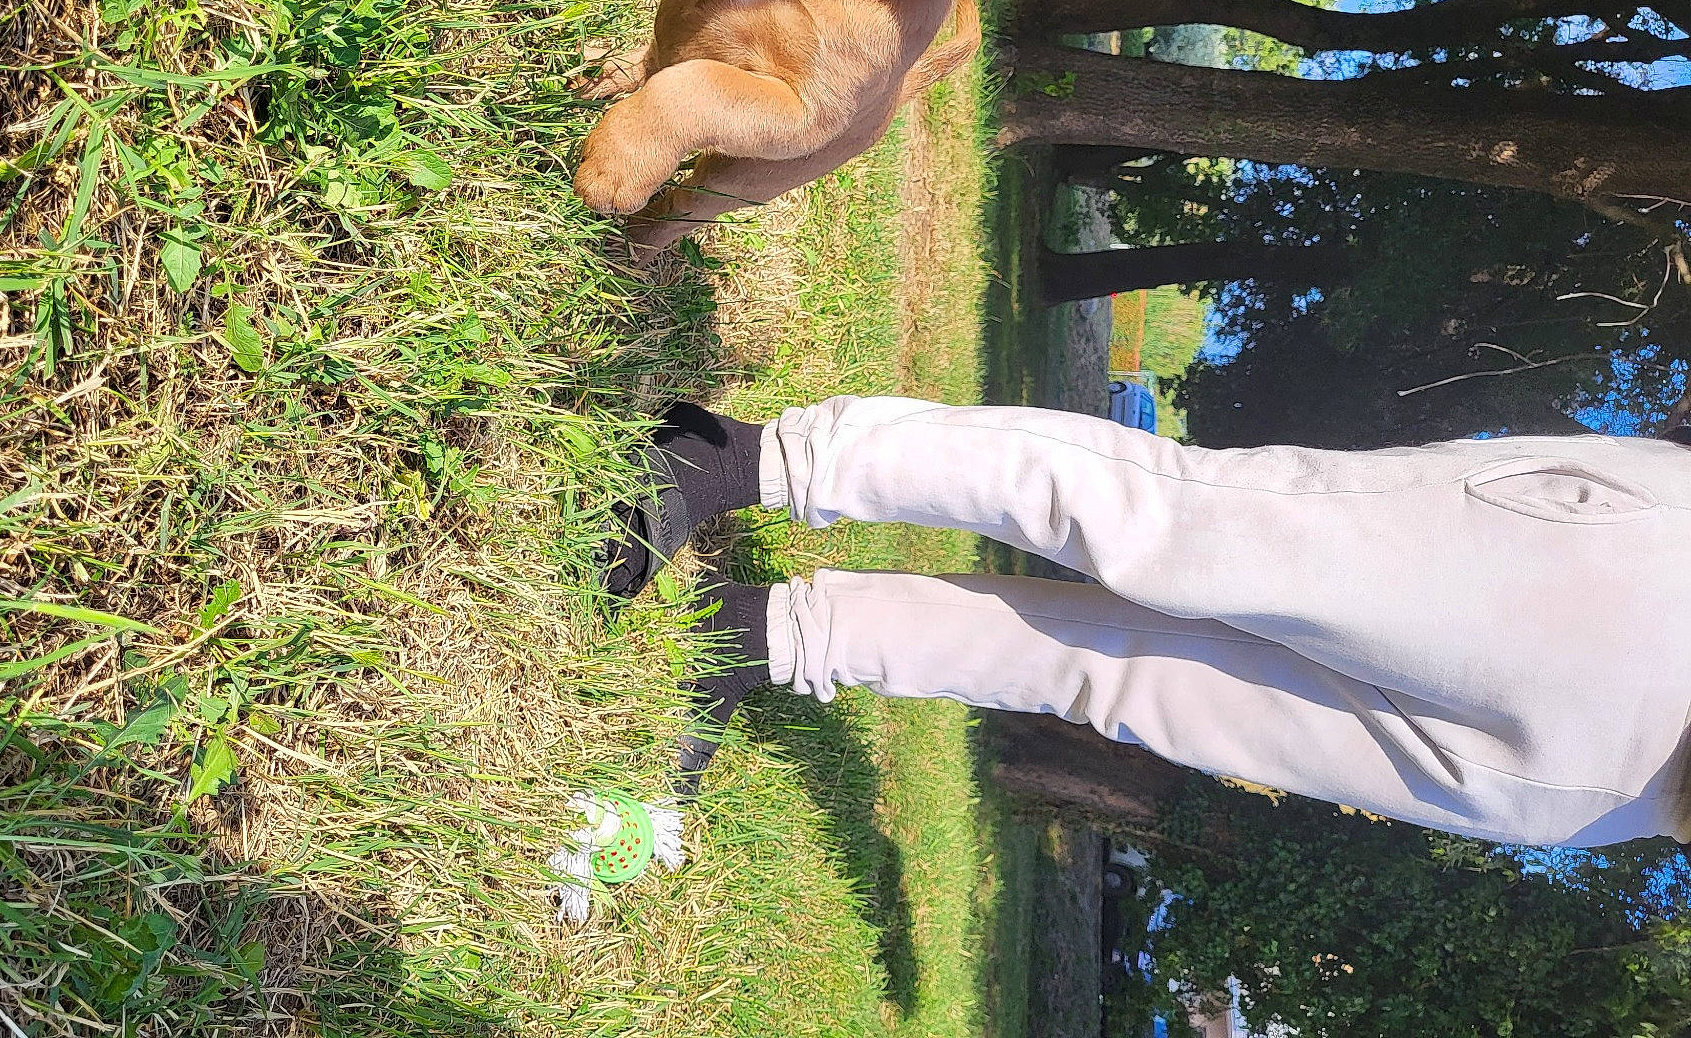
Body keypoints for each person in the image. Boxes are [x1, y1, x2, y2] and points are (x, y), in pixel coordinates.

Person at [610, 395, 1691, 848]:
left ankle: (764, 637)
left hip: (1624, 803)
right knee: (1183, 529)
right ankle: (736, 459)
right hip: (1652, 595)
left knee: (1136, 685)